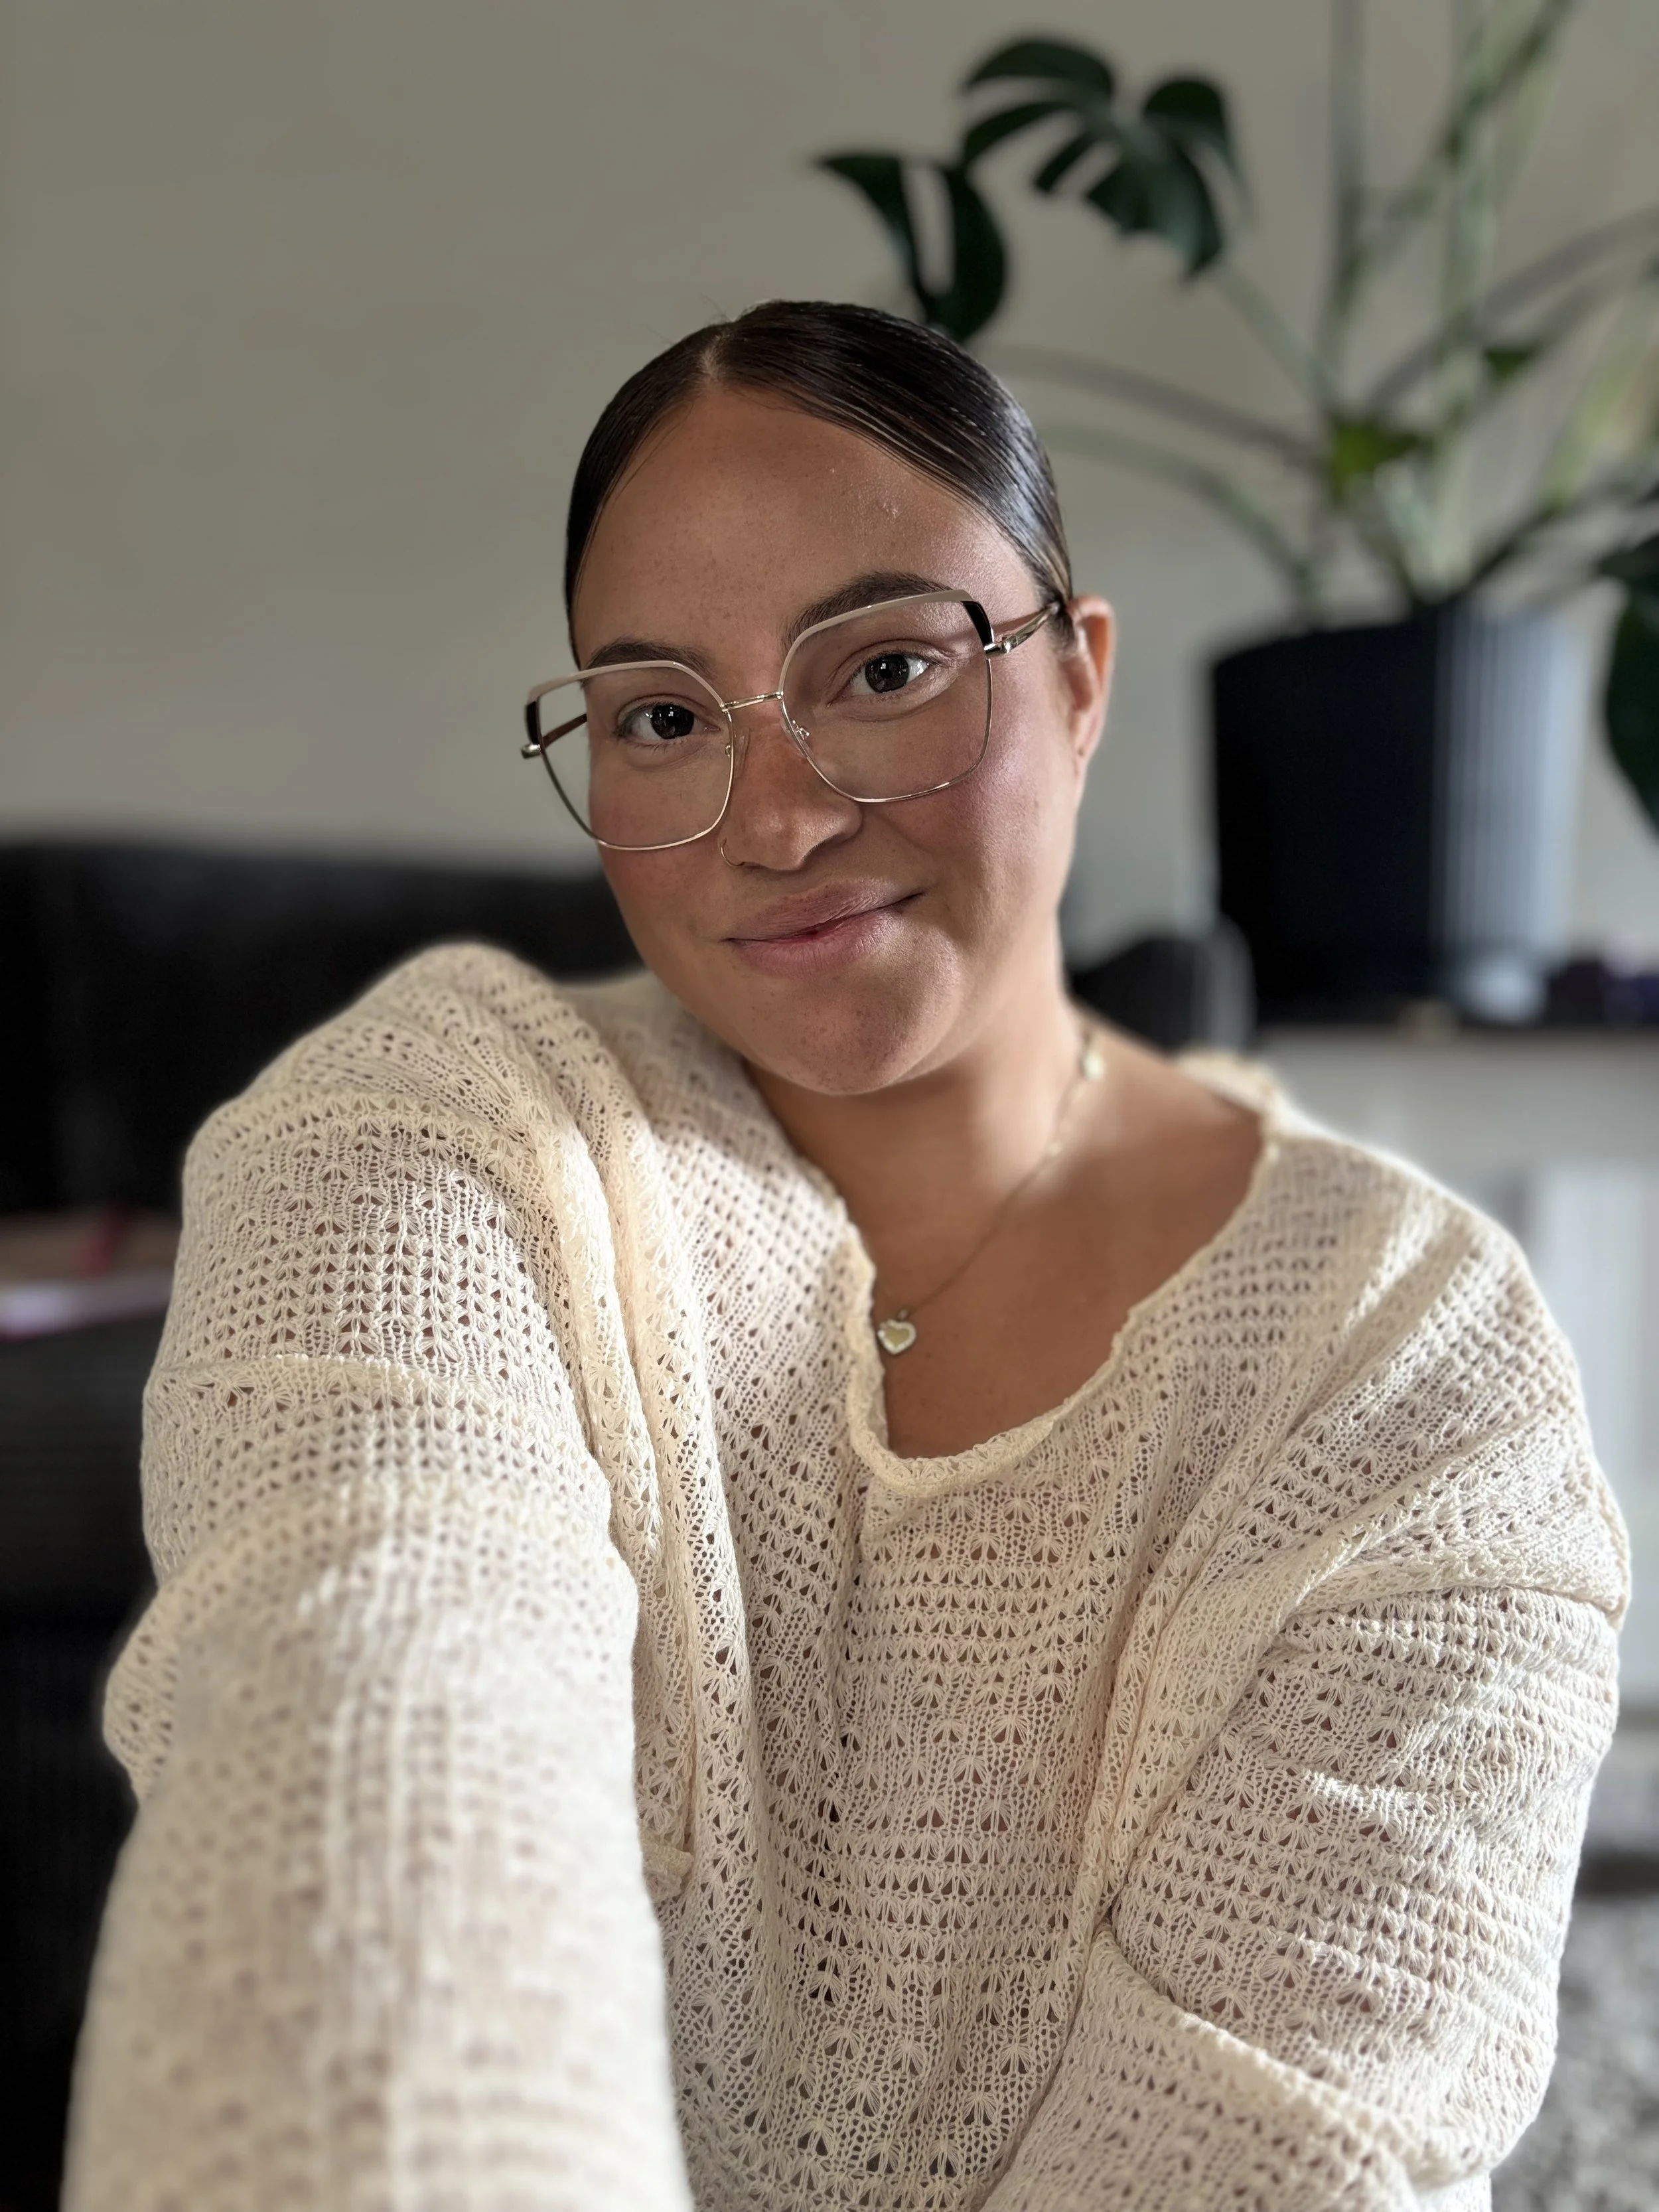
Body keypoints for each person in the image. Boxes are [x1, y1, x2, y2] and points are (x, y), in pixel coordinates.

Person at [67, 301, 1626, 2212]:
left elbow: (1286, 2143)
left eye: (883, 664)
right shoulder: (426, 1140)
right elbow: (369, 1769)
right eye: (658, 716)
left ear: (1078, 677)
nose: (781, 817)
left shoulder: (1408, 1358)